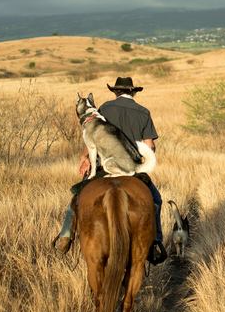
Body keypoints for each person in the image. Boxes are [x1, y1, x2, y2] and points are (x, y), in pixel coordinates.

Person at [53, 76, 167, 264]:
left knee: (77, 198)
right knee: (156, 200)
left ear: (115, 91)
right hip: (132, 170)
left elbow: (94, 136)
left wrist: (85, 159)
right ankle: (155, 243)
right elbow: (150, 146)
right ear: (133, 92)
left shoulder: (104, 108)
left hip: (105, 167)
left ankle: (65, 237)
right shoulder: (143, 112)